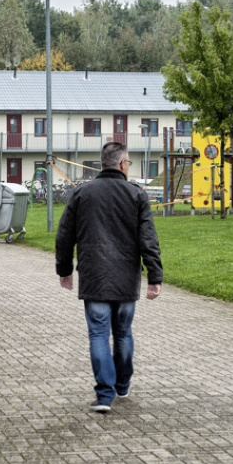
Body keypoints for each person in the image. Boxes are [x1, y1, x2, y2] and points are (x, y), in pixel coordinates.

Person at [56, 141, 163, 413]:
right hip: (126, 277)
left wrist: (65, 271)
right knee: (123, 332)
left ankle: (104, 395)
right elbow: (148, 239)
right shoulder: (136, 195)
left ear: (102, 164)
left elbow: (64, 236)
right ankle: (123, 384)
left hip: (93, 277)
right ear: (123, 164)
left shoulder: (81, 193)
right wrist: (154, 276)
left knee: (99, 334)